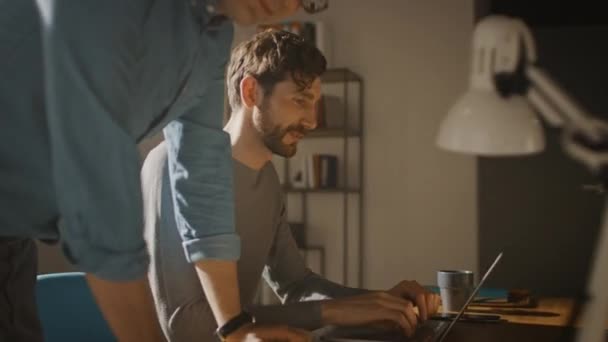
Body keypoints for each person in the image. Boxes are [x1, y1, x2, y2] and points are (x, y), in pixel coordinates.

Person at [0, 1, 311, 341]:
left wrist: (234, 327)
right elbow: (99, 182)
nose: (288, 2)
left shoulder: (213, 33)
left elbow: (201, 169)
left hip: (14, 233)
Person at [141, 29, 441, 342]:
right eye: (300, 100)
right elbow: (185, 325)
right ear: (251, 92)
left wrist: (381, 302)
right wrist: (332, 312)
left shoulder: (267, 179)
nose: (312, 121)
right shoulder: (170, 164)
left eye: (315, 104)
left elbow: (296, 285)